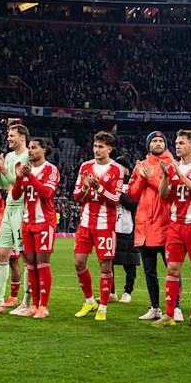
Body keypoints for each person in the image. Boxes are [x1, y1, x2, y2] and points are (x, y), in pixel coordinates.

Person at [152, 130, 191, 328]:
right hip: (176, 226)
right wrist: (166, 177)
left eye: (182, 143)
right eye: (176, 142)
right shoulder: (172, 167)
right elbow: (164, 195)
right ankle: (169, 314)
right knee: (172, 268)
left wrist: (180, 175)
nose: (177, 145)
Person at [127, 131, 181, 321]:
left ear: (166, 145)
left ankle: (176, 307)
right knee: (149, 271)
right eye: (154, 141)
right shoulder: (141, 165)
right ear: (148, 145)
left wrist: (149, 178)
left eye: (161, 141)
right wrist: (142, 177)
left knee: (172, 269)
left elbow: (170, 192)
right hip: (144, 227)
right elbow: (132, 194)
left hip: (166, 225)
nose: (157, 143)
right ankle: (155, 307)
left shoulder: (173, 164)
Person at [72, 131, 124, 321]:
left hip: (105, 224)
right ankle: (89, 301)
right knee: (78, 263)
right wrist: (86, 187)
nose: (96, 150)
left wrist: (99, 188)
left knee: (105, 266)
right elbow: (77, 196)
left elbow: (116, 199)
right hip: (85, 222)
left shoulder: (116, 169)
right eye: (95, 146)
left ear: (109, 149)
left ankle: (102, 306)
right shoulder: (86, 167)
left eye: (100, 146)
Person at [0, 123, 30, 315]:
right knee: (1, 255)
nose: (8, 138)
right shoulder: (9, 157)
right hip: (9, 209)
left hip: (23, 210)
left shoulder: (28, 156)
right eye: (8, 135)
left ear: (22, 137)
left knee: (26, 258)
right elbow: (4, 185)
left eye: (12, 135)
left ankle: (25, 302)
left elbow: (20, 184)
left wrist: (3, 169)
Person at [11, 137, 60, 319]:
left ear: (44, 150)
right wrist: (18, 179)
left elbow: (47, 193)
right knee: (30, 266)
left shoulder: (51, 170)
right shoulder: (25, 169)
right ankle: (33, 305)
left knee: (42, 264)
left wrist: (29, 176)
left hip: (44, 222)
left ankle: (44, 306)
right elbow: (16, 196)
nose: (30, 151)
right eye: (29, 148)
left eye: (34, 148)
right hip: (27, 222)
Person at [112, 155, 139, 305]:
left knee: (130, 262)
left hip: (129, 227)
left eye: (121, 166)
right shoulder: (110, 184)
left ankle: (128, 291)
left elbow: (134, 205)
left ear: (127, 171)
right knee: (108, 261)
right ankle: (111, 291)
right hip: (111, 227)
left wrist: (117, 194)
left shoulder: (133, 186)